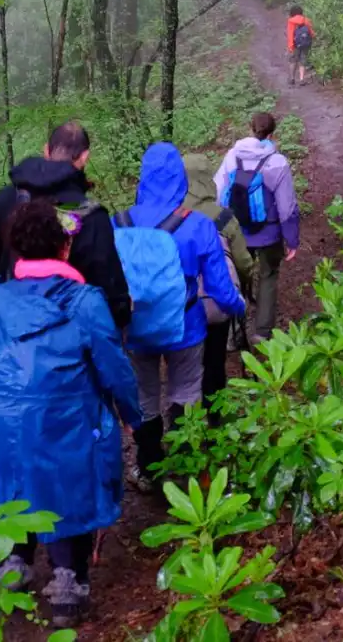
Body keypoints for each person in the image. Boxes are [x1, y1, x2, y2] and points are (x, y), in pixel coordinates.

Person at [0, 199, 142, 628]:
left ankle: (15, 563)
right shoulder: (86, 301)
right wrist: (132, 413)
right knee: (68, 487)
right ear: (64, 249)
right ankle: (67, 582)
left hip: (1, 417)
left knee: (15, 479)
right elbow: (112, 363)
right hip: (67, 415)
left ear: (17, 252)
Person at [119, 143, 247, 485]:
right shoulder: (198, 226)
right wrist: (239, 307)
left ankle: (147, 468)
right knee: (186, 391)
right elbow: (220, 289)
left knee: (146, 396)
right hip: (186, 326)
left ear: (142, 179)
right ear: (180, 179)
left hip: (137, 327)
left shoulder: (120, 223)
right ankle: (184, 464)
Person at [0, 121, 130, 331]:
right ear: (84, 157)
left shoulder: (3, 201)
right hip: (71, 341)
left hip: (10, 332)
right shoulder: (92, 216)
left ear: (46, 150)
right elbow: (109, 287)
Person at [214, 113, 300, 343]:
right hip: (269, 233)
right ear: (273, 134)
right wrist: (291, 240)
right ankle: (262, 332)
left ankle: (234, 333)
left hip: (237, 231)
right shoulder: (277, 162)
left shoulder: (232, 157)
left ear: (250, 129)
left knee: (239, 278)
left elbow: (219, 194)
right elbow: (287, 207)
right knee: (268, 275)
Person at [181, 150, 255, 393]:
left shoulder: (170, 216)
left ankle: (185, 420)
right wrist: (244, 287)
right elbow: (244, 262)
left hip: (180, 302)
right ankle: (215, 417)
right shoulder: (222, 217)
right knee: (214, 361)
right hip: (216, 299)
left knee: (184, 366)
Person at [285, 5, 315, 86]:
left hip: (295, 44)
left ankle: (292, 78)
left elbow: (290, 34)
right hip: (305, 44)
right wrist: (311, 38)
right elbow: (311, 32)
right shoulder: (306, 20)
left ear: (292, 12)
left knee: (293, 61)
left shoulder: (291, 21)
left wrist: (290, 45)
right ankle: (301, 79)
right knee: (303, 60)